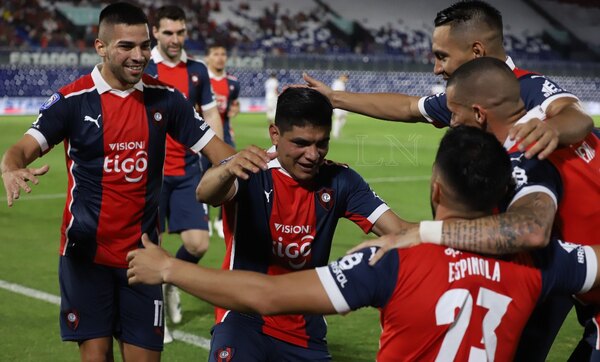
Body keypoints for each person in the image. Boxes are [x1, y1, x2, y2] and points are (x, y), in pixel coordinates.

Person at [127, 126, 600, 361]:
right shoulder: (546, 260)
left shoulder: (391, 260)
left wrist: (168, 268)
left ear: (435, 188)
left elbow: (265, 296)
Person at [0, 3, 234, 360]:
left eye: (144, 45)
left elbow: (222, 154)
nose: (139, 55)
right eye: (126, 46)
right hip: (85, 257)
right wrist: (11, 168)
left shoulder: (166, 99)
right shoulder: (71, 101)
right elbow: (20, 150)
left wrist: (260, 165)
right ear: (101, 47)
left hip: (143, 260)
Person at [355, 57, 600, 361]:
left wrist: (422, 232)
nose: (452, 123)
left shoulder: (524, 157)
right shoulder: (553, 117)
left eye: (455, 114)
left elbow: (532, 231)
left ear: (479, 114)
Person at [195, 87, 410, 361]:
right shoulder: (250, 169)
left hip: (305, 333)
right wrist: (226, 168)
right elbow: (205, 192)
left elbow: (400, 231)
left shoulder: (341, 181)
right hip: (243, 320)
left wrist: (458, 231)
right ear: (275, 135)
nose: (312, 155)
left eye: (321, 144)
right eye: (301, 143)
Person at [304, 0, 593, 161]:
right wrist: (334, 98)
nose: (436, 69)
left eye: (442, 56)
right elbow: (407, 108)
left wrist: (550, 129)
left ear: (477, 51)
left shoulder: (526, 86)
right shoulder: (463, 100)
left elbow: (577, 117)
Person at [145, 5, 225, 340]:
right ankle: (155, 319)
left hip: (188, 170)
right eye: (168, 33)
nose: (175, 39)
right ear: (155, 33)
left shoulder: (198, 71)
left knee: (198, 243)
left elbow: (211, 116)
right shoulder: (143, 65)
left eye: (180, 32)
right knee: (151, 246)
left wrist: (221, 162)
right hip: (150, 173)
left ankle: (170, 283)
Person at [205, 43, 241, 239]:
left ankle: (220, 220)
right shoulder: (202, 80)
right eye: (215, 53)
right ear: (208, 57)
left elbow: (234, 105)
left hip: (225, 134)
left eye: (223, 54)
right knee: (202, 176)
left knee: (228, 176)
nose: (220, 57)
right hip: (202, 134)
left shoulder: (233, 83)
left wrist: (234, 111)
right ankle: (204, 219)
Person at [330, 74, 349, 139]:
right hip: (337, 103)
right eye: (345, 77)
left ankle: (337, 131)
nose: (346, 79)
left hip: (342, 102)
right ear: (341, 77)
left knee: (343, 118)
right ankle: (335, 133)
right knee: (338, 117)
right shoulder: (337, 83)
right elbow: (336, 93)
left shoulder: (342, 83)